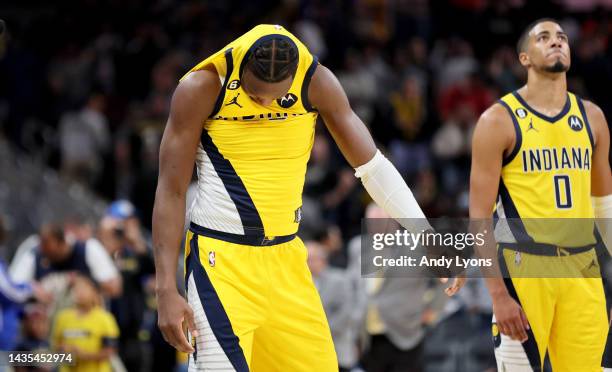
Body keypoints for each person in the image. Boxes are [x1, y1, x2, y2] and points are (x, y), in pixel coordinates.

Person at [152, 24, 432, 371]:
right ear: (240, 70)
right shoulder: (202, 85)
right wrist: (166, 289)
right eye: (256, 96)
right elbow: (171, 188)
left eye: (276, 96)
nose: (267, 103)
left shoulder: (316, 80)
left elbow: (372, 167)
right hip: (221, 262)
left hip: (287, 258)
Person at [467, 18, 612, 371]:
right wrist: (499, 296)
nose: (556, 42)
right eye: (544, 37)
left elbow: (603, 206)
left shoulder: (592, 117)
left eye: (562, 37)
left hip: (583, 268)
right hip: (524, 267)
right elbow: (478, 218)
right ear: (524, 58)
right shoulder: (496, 121)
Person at [51, 275, 120, 372]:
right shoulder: (63, 317)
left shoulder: (105, 318)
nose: (80, 293)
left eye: (84, 289)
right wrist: (65, 353)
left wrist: (84, 355)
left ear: (94, 292)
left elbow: (110, 351)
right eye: (77, 289)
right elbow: (55, 347)